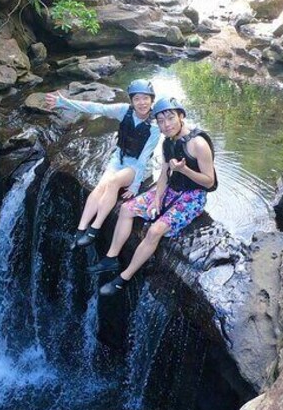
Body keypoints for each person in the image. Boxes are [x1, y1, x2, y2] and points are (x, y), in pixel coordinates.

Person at [87, 97, 217, 296]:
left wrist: (185, 171)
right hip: (172, 188)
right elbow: (164, 174)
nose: (166, 125)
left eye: (170, 118)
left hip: (194, 195)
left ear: (181, 116)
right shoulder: (168, 143)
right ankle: (111, 258)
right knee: (126, 208)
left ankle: (124, 277)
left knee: (155, 231)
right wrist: (157, 200)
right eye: (161, 121)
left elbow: (209, 181)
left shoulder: (198, 144)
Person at [44, 80, 161, 252]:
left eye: (146, 98)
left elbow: (144, 157)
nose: (142, 103)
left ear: (152, 100)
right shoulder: (124, 111)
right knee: (100, 187)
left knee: (113, 182)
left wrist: (135, 185)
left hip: (137, 167)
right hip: (119, 158)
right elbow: (96, 107)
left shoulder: (155, 125)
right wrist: (63, 103)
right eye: (137, 98)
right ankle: (80, 230)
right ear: (132, 101)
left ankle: (94, 229)